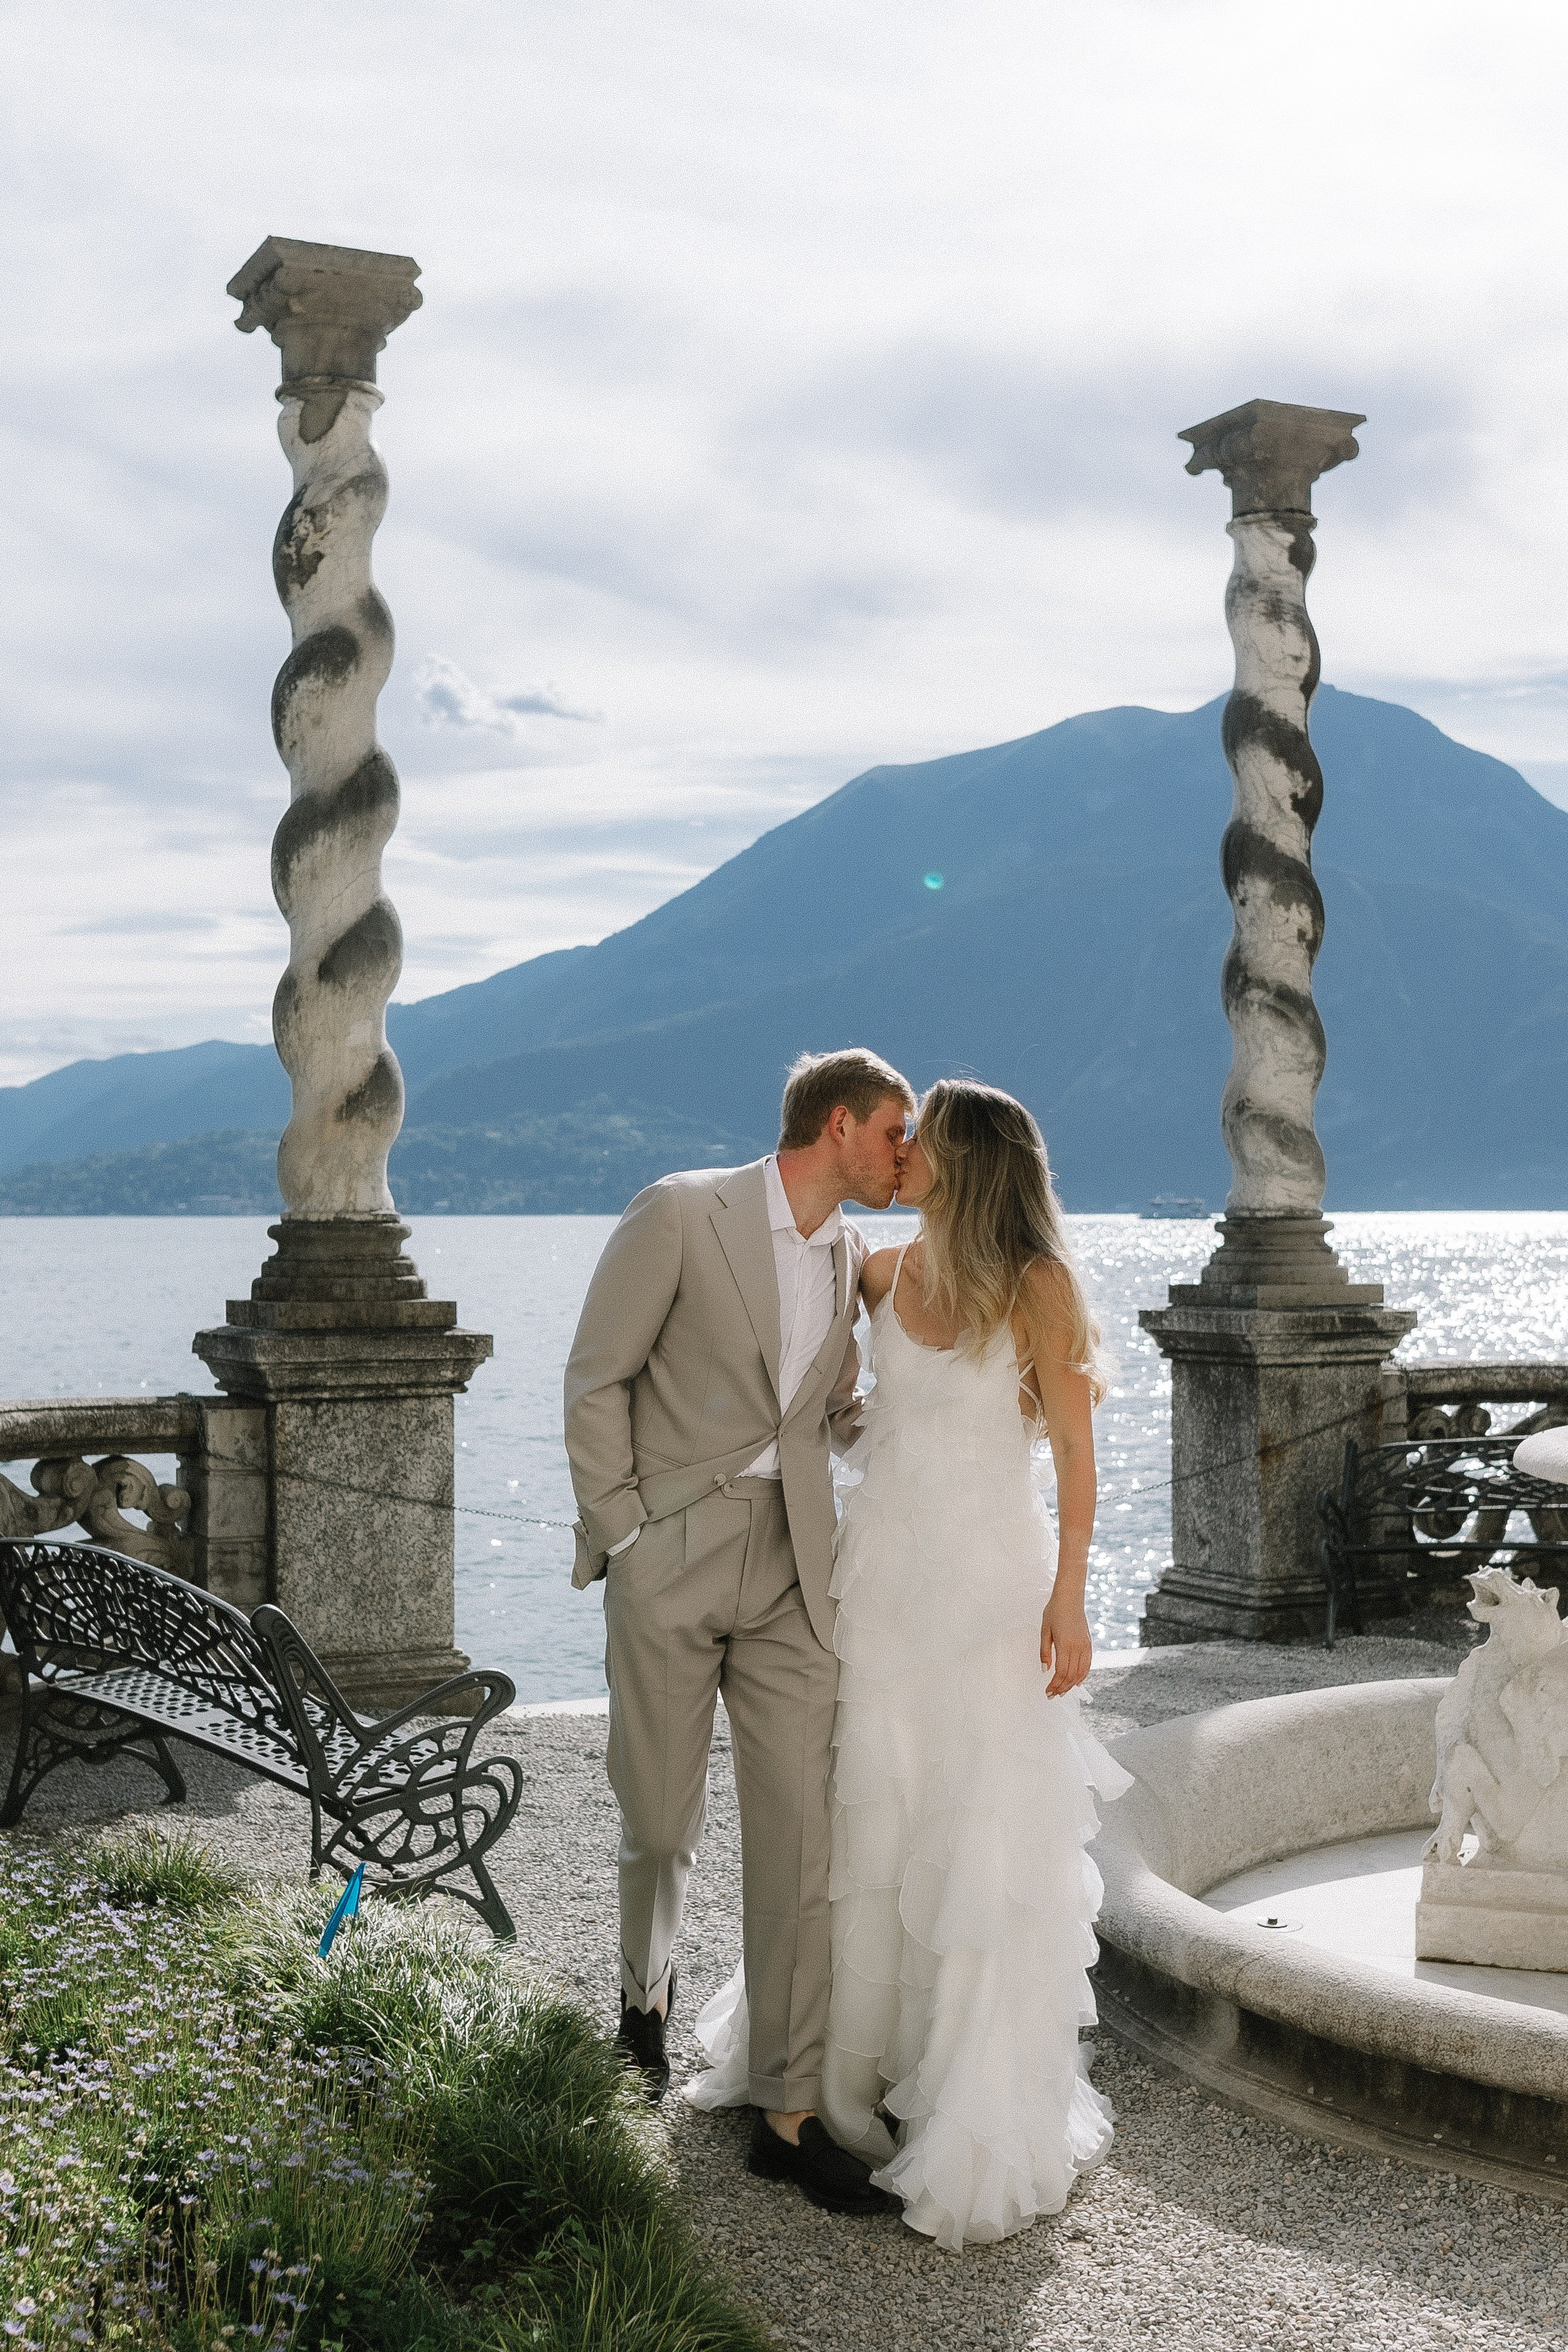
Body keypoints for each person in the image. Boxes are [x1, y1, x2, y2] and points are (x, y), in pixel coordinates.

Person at [686, 1077, 1130, 2250]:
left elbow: (1078, 1456)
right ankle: (847, 2083)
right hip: (880, 1585)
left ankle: (969, 2094)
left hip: (991, 1594)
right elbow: (826, 1401)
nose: (904, 1155)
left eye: (920, 1141)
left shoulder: (1038, 1286)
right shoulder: (875, 1270)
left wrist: (1071, 1595)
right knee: (870, 1824)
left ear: (966, 1161)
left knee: (977, 1828)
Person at [562, 1046, 915, 2216]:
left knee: (801, 1839)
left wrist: (942, 1428)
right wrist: (622, 1530)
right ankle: (643, 1996)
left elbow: (831, 1411)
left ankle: (789, 2111)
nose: (904, 1155)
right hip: (672, 1553)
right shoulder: (680, 1212)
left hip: (796, 1576)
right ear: (840, 1124)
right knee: (660, 1821)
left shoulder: (853, 1254)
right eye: (894, 1133)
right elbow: (596, 1376)